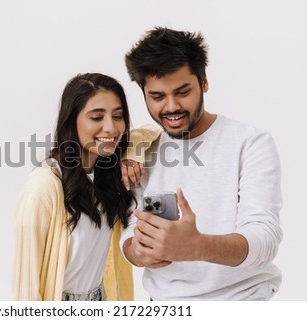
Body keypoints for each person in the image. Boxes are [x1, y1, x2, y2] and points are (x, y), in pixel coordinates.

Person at [120, 27, 283, 300]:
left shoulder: (251, 143)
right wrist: (137, 252)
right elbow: (129, 227)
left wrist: (198, 246)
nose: (171, 107)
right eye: (157, 96)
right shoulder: (140, 151)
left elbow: (265, 238)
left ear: (204, 83)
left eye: (183, 92)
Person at [13, 72, 137, 301]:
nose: (111, 127)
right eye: (97, 117)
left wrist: (133, 153)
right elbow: (26, 288)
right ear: (72, 121)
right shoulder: (44, 186)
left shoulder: (106, 178)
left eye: (118, 116)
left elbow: (152, 132)